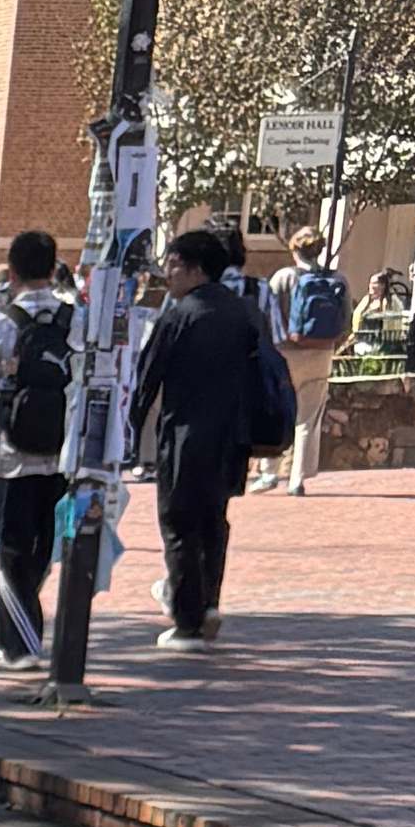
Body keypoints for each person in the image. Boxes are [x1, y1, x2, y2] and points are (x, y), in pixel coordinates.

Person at [134, 227, 283, 648]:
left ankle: (186, 620)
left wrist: (130, 433)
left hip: (184, 434)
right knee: (213, 521)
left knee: (179, 524)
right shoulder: (245, 312)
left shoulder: (179, 314)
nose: (168, 273)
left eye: (173, 265)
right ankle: (209, 602)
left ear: (194, 269)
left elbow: (147, 379)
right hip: (233, 437)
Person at [0, 225, 75, 665]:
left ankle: (19, 643)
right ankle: (15, 621)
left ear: (13, 269)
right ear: (52, 266)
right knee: (41, 547)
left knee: (8, 549)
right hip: (59, 454)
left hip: (5, 455)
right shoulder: (75, 320)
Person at [270, 231, 350, 490]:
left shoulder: (284, 277)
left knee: (277, 412)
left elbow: (270, 315)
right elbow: (346, 320)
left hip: (286, 352)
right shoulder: (338, 279)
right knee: (308, 418)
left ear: (295, 250)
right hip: (321, 353)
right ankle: (298, 479)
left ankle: (269, 470)